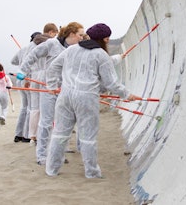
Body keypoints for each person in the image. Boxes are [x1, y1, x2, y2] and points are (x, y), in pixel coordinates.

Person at [45, 23, 141, 178]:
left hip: (65, 96)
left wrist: (52, 85)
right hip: (87, 98)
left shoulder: (71, 49)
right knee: (88, 136)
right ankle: (91, 172)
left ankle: (52, 169)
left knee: (60, 134)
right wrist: (127, 95)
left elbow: (53, 67)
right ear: (105, 39)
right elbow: (111, 83)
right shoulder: (100, 55)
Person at [19, 22, 85, 165]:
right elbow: (33, 55)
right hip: (49, 88)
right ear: (72, 34)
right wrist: (22, 71)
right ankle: (42, 155)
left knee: (62, 124)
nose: (82, 38)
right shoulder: (52, 44)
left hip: (65, 89)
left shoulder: (76, 49)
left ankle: (57, 154)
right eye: (80, 35)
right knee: (46, 122)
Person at [19, 23, 59, 145]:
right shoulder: (51, 43)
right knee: (46, 109)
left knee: (34, 108)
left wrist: (26, 78)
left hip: (33, 77)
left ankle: (32, 136)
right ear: (51, 32)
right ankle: (44, 136)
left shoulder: (32, 45)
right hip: (45, 76)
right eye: (55, 34)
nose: (56, 36)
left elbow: (27, 61)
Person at [10, 32, 41, 143]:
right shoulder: (35, 48)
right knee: (31, 107)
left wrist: (20, 62)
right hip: (28, 79)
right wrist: (27, 77)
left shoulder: (23, 49)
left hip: (20, 79)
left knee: (24, 107)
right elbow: (30, 65)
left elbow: (13, 61)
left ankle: (19, 134)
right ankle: (27, 135)